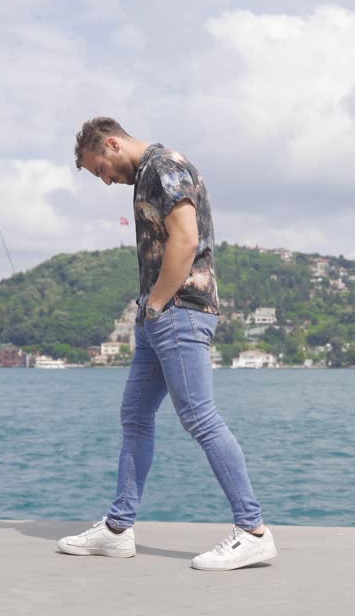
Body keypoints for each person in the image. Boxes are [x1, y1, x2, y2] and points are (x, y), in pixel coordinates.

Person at [58, 116, 276, 571]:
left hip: (178, 311)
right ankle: (118, 529)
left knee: (199, 417)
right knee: (136, 416)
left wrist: (155, 304)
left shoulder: (162, 167)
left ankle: (253, 530)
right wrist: (149, 310)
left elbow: (186, 238)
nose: (105, 179)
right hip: (161, 314)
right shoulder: (149, 174)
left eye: (100, 168)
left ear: (113, 144)